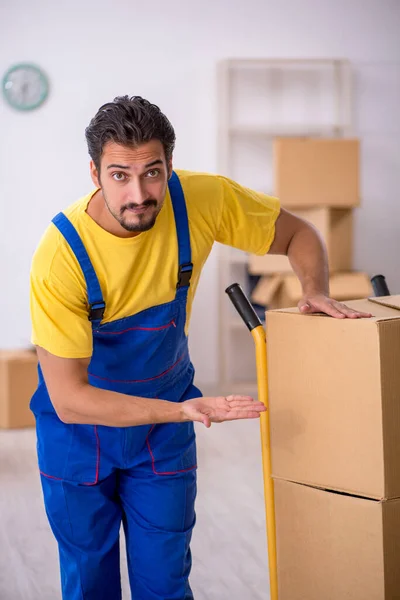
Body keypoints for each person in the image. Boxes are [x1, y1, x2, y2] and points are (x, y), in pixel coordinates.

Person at [29, 95, 371, 600]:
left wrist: (314, 290)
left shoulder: (201, 200)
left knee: (165, 578)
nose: (139, 193)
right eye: (120, 175)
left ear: (169, 164)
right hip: (80, 438)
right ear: (95, 173)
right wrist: (178, 409)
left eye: (153, 172)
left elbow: (299, 234)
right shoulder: (61, 254)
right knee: (88, 578)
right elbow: (70, 399)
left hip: (163, 433)